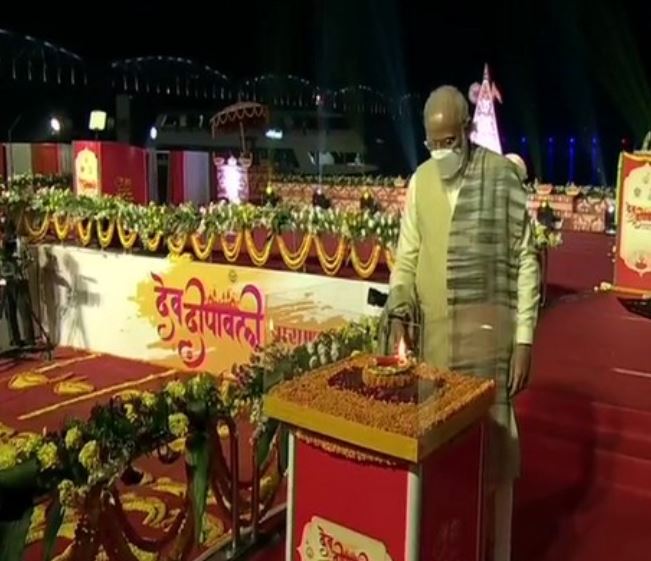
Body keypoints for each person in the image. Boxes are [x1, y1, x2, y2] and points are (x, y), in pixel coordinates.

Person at [380, 86, 540, 561]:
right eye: (433, 142)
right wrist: (399, 303)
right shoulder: (420, 181)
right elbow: (406, 258)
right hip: (436, 349)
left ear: (468, 129)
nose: (441, 151)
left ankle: (498, 551)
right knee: (442, 464)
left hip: (488, 349)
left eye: (450, 140)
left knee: (494, 460)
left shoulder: (501, 178)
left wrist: (526, 340)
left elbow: (526, 260)